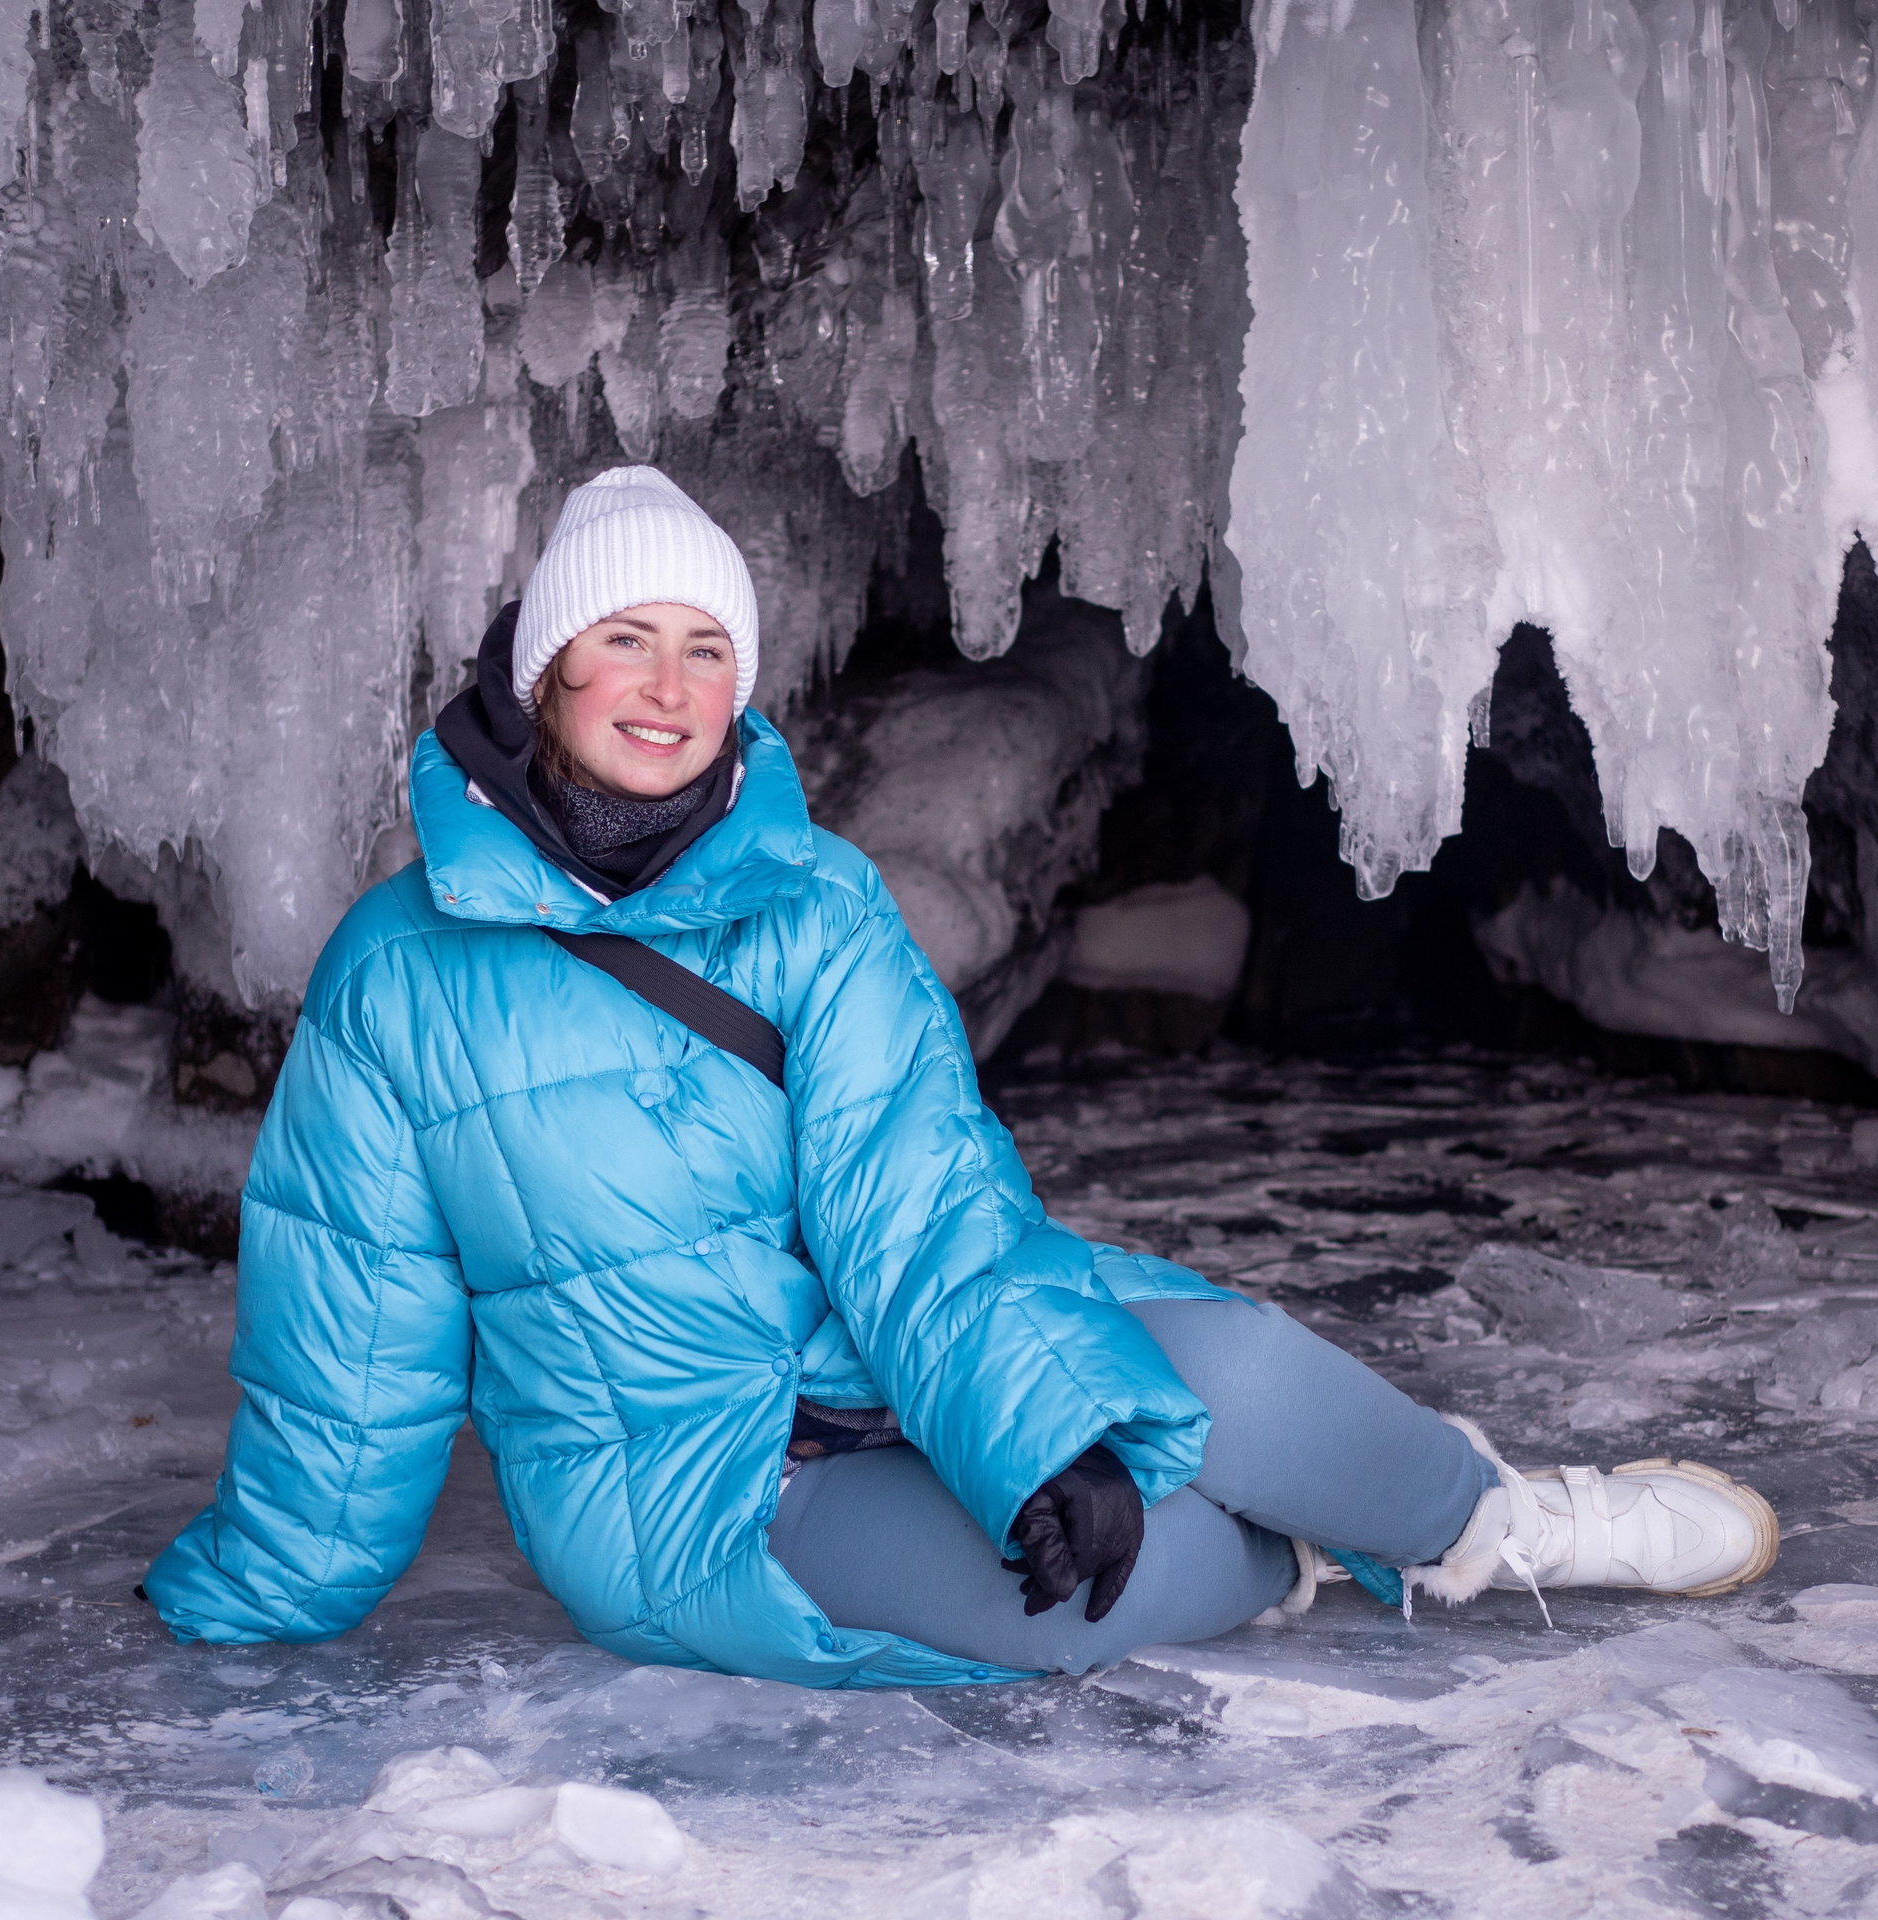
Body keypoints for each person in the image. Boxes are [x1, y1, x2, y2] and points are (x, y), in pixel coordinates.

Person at [144, 467, 1778, 1685]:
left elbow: (912, 1204)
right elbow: (351, 1343)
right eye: (624, 640)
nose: (668, 688)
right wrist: (252, 1592)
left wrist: (1031, 1436)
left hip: (903, 1347)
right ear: (544, 670)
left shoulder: (817, 903)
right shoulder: (399, 972)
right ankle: (1305, 1550)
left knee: (1253, 1376)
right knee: (1092, 1593)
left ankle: (1507, 1525)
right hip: (691, 1491)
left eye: (706, 649)